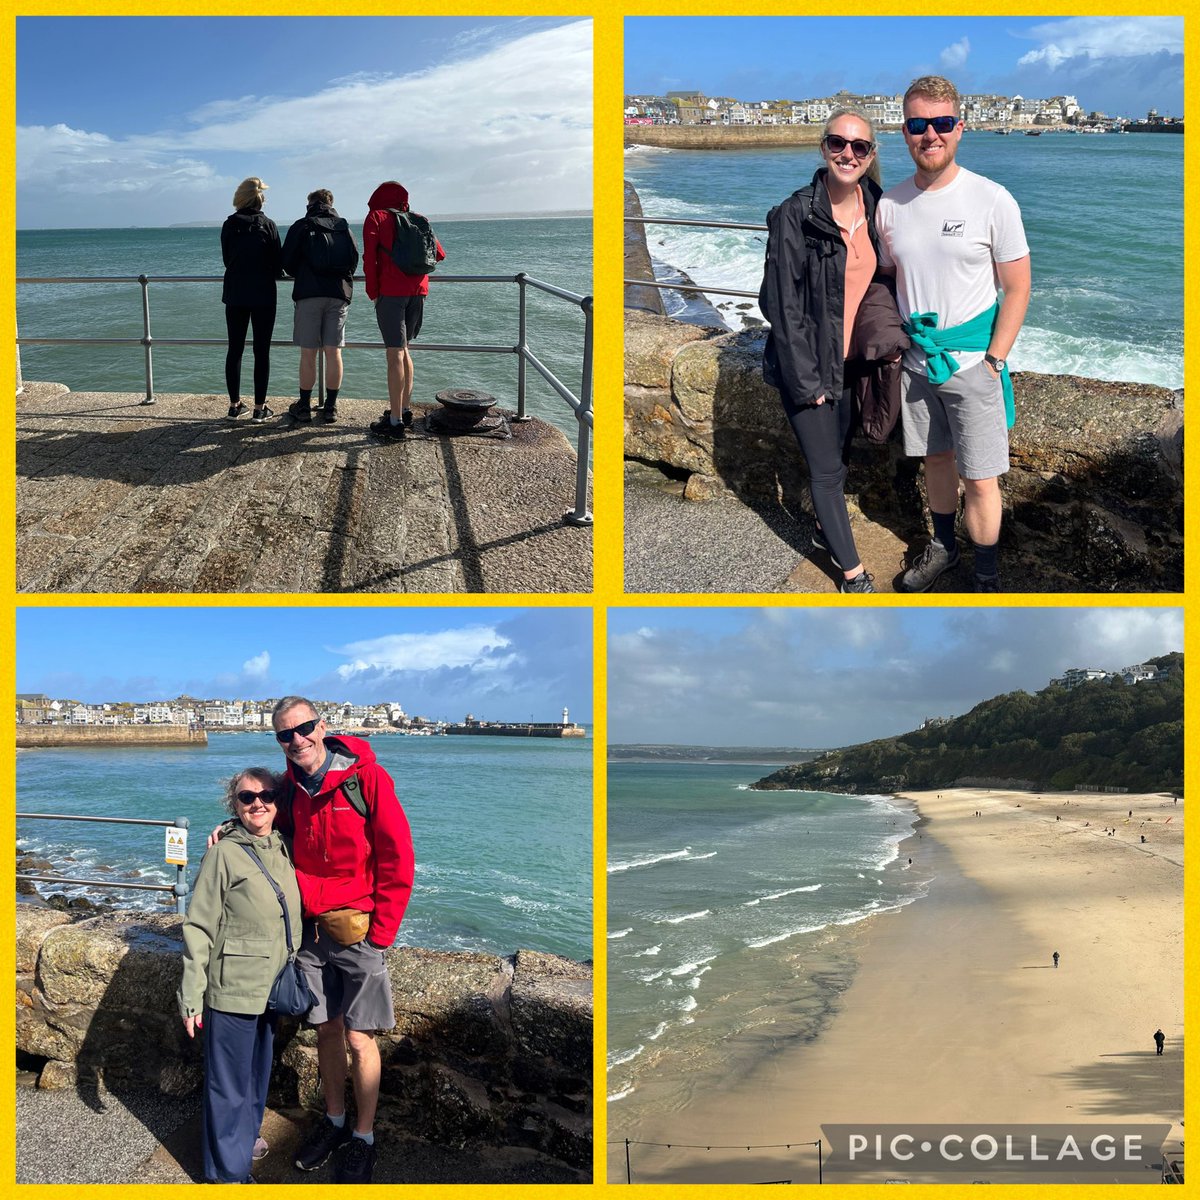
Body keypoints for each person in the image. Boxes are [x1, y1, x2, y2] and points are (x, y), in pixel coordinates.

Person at [876, 76, 1032, 593]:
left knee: (981, 479)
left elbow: (1017, 287)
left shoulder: (992, 199)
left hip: (972, 366)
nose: (931, 135)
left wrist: (994, 361)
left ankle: (985, 573)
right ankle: (943, 549)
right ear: (905, 131)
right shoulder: (890, 206)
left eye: (941, 124)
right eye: (919, 125)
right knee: (936, 463)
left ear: (959, 128)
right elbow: (886, 279)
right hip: (917, 366)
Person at [273, 697, 414, 1183]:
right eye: (285, 735)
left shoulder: (366, 778)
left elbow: (398, 857)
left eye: (304, 728)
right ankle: (333, 1122)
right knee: (326, 1031)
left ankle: (364, 1135)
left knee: (359, 1037)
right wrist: (226, 829)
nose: (297, 740)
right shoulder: (290, 785)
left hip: (359, 932)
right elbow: (267, 825)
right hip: (312, 932)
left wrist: (381, 936)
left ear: (323, 726)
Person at [760, 108, 894, 593]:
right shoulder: (795, 214)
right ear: (823, 148)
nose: (847, 154)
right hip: (809, 365)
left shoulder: (876, 203)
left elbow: (886, 278)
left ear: (871, 155)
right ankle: (853, 573)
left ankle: (821, 531)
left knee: (841, 456)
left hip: (850, 363)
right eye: (838, 143)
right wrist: (807, 380)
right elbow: (779, 303)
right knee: (827, 471)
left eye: (859, 147)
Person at [178, 768, 300, 1184]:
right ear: (235, 804)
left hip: (270, 986)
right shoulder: (223, 854)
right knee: (228, 1086)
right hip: (232, 988)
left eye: (266, 795)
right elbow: (198, 927)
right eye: (247, 798)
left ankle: (244, 1140)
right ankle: (226, 1173)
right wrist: (192, 996)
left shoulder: (282, 845)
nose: (258, 803)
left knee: (255, 1077)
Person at [361, 182, 446, 441]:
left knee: (394, 353)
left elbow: (369, 258)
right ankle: (405, 410)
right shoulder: (418, 219)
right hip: (418, 292)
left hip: (391, 292)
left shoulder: (376, 217)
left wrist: (373, 293)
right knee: (405, 349)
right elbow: (439, 254)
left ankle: (395, 422)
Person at [281, 189, 360, 425]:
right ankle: (331, 408)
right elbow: (354, 259)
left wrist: (303, 273)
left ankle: (304, 406)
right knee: (333, 351)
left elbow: (286, 261)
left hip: (308, 293)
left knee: (308, 352)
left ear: (310, 204)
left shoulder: (302, 225)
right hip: (338, 293)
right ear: (330, 203)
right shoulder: (343, 226)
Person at [221, 178, 283, 422]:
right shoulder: (268, 224)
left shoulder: (228, 225)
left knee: (234, 350)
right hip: (263, 294)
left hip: (235, 292)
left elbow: (227, 259)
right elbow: (278, 264)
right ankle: (259, 408)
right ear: (259, 199)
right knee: (261, 351)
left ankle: (235, 405)